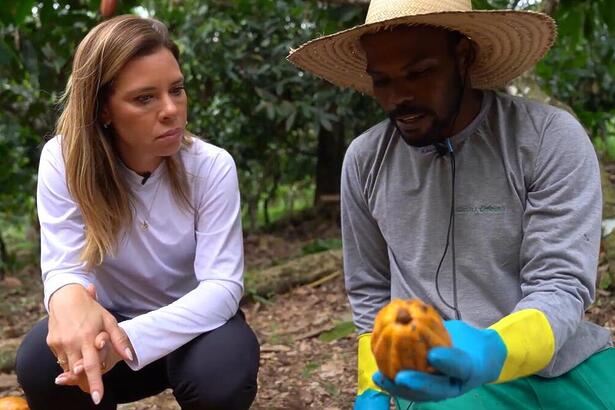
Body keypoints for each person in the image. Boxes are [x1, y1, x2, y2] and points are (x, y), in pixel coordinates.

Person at [288, 1, 614, 409]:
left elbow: (561, 285)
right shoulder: (366, 161)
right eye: (382, 80)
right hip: (436, 376)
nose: (398, 98)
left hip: (559, 362)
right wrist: (371, 389)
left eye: (419, 73)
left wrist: (493, 349)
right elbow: (371, 289)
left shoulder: (546, 138)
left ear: (463, 58)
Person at [16, 15, 259, 410]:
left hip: (193, 330)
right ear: (104, 109)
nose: (171, 110)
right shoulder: (64, 161)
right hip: (105, 328)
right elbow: (64, 269)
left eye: (176, 90)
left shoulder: (211, 167)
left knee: (224, 370)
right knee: (39, 364)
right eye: (144, 98)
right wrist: (70, 306)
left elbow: (223, 287)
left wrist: (127, 339)